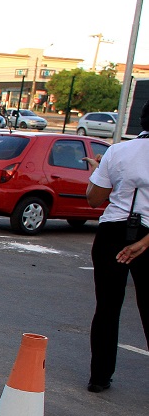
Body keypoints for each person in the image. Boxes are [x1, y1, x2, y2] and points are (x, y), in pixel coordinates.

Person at [83, 100, 149, 393]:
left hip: (112, 232)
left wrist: (98, 171)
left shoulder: (118, 151)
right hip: (147, 236)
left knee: (107, 307)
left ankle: (99, 377)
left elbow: (94, 199)